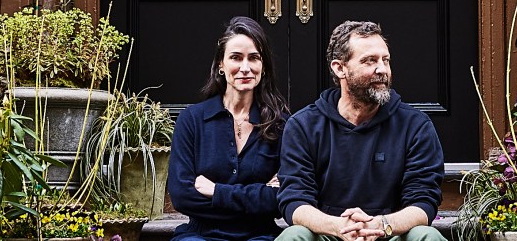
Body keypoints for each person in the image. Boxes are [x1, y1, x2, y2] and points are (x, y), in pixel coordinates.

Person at [276, 21, 446, 241]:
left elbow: (424, 202)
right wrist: (337, 226)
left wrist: (381, 225)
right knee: (294, 235)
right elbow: (295, 201)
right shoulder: (303, 125)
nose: (382, 70)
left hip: (388, 233)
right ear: (340, 68)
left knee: (426, 235)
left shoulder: (415, 125)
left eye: (386, 60)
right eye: (369, 61)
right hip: (330, 233)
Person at [168, 16, 290, 241]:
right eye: (236, 58)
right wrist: (257, 195)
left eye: (253, 58)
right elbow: (182, 196)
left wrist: (216, 191)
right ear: (221, 65)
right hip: (200, 236)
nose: (245, 68)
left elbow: (280, 199)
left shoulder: (280, 124)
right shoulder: (192, 120)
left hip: (259, 236)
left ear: (263, 66)